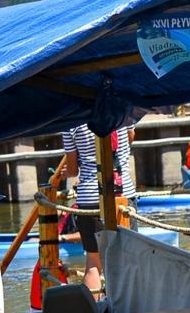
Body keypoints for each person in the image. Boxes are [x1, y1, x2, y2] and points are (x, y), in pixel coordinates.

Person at [52, 123, 136, 295]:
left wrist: (68, 172)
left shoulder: (71, 122)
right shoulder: (121, 108)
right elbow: (130, 136)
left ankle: (97, 312)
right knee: (128, 258)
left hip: (90, 196)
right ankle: (128, 309)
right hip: (123, 194)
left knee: (93, 262)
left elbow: (73, 169)